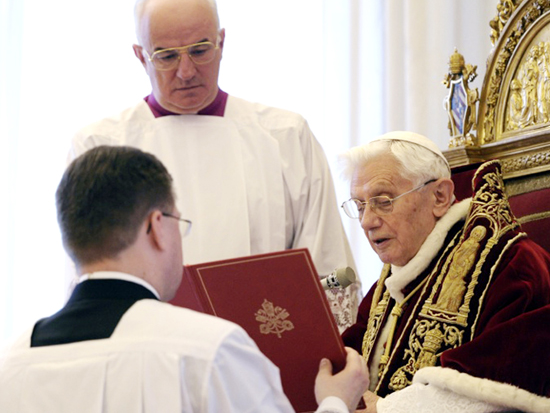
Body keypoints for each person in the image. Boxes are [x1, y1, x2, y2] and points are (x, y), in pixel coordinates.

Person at [68, 0, 359, 331]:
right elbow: (93, 277)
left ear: (222, 42)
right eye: (166, 56)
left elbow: (324, 266)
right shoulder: (102, 147)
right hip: (147, 351)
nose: (187, 71)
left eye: (200, 50)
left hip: (265, 354)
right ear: (140, 55)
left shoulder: (285, 136)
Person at [0, 145, 368, 413]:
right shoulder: (209, 349)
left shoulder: (13, 362)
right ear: (157, 227)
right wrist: (336, 402)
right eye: (179, 222)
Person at [338, 131, 550, 412]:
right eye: (360, 205)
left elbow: (504, 382)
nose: (366, 221)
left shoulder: (511, 265)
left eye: (384, 200)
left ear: (440, 196)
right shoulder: (393, 280)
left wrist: (388, 410)